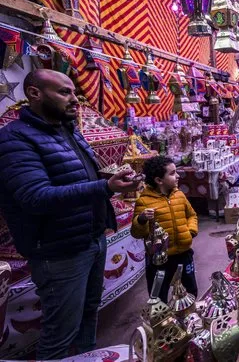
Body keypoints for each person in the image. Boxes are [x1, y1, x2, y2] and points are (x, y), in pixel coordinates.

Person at [0, 69, 141, 359]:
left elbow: (79, 177)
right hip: (58, 251)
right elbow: (35, 196)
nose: (75, 99)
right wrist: (104, 186)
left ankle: (86, 356)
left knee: (89, 314)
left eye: (75, 92)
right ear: (35, 94)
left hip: (90, 238)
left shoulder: (69, 131)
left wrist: (113, 178)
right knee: (60, 333)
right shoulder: (14, 139)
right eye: (65, 92)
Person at [131, 155, 199, 303]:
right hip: (160, 261)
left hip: (184, 254)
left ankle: (189, 320)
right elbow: (137, 233)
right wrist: (141, 219)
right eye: (173, 173)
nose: (178, 176)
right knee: (158, 297)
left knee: (191, 291)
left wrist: (190, 231)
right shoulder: (144, 201)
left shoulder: (179, 195)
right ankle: (165, 324)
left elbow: (191, 215)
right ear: (159, 180)